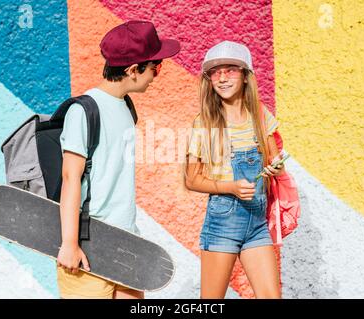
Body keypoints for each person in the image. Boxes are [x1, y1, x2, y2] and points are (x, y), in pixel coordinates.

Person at [56, 20, 180, 299]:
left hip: (127, 241)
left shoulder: (126, 106)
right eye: (155, 68)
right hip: (88, 245)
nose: (156, 75)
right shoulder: (84, 110)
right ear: (133, 70)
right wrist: (69, 243)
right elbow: (70, 177)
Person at [185, 40, 284, 299]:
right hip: (222, 223)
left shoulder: (260, 115)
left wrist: (275, 167)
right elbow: (191, 179)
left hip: (257, 223)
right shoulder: (205, 123)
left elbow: (274, 157)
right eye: (215, 72)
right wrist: (230, 187)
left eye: (230, 69)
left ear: (245, 76)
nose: (222, 77)